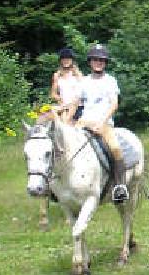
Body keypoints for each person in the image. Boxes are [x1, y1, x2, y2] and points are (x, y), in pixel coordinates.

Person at [72, 44, 128, 202]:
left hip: (104, 123)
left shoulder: (110, 81)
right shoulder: (84, 81)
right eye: (96, 60)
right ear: (90, 62)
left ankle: (120, 186)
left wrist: (101, 122)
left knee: (115, 148)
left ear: (105, 62)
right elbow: (76, 103)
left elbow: (114, 104)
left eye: (102, 60)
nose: (99, 62)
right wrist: (66, 118)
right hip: (84, 122)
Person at [50, 47, 84, 123]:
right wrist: (60, 100)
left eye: (68, 59)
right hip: (63, 105)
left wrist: (72, 104)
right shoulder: (57, 75)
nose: (66, 61)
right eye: (63, 59)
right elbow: (53, 94)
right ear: (60, 61)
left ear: (72, 60)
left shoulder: (77, 74)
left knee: (66, 121)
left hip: (77, 106)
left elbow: (83, 92)